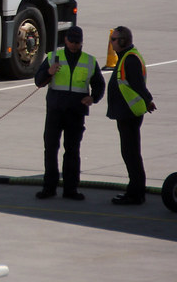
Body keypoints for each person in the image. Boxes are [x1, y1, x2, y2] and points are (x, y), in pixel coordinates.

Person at [33, 26, 104, 201]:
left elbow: (99, 85)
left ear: (82, 42)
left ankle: (70, 189)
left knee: (72, 151)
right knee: (51, 149)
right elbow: (38, 81)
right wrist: (48, 72)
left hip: (75, 113)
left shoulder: (89, 61)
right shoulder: (53, 57)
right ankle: (49, 187)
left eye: (77, 42)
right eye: (71, 41)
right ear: (65, 40)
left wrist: (93, 98)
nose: (74, 45)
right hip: (55, 111)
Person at [107, 26, 156, 205]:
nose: (111, 43)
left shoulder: (130, 59)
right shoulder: (126, 57)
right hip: (125, 113)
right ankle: (135, 190)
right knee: (130, 153)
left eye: (114, 39)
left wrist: (149, 100)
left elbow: (138, 85)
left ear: (123, 41)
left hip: (129, 113)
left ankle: (136, 193)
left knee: (131, 153)